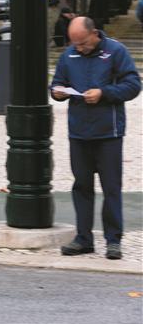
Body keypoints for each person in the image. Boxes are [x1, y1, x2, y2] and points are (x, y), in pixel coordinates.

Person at [50, 17, 141, 260]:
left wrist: (105, 93)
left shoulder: (116, 51)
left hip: (108, 133)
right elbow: (57, 83)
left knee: (111, 188)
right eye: (74, 44)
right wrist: (57, 93)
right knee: (81, 187)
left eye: (82, 43)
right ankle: (84, 239)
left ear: (94, 34)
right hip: (78, 132)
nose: (78, 48)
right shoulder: (69, 56)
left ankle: (113, 241)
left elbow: (133, 85)